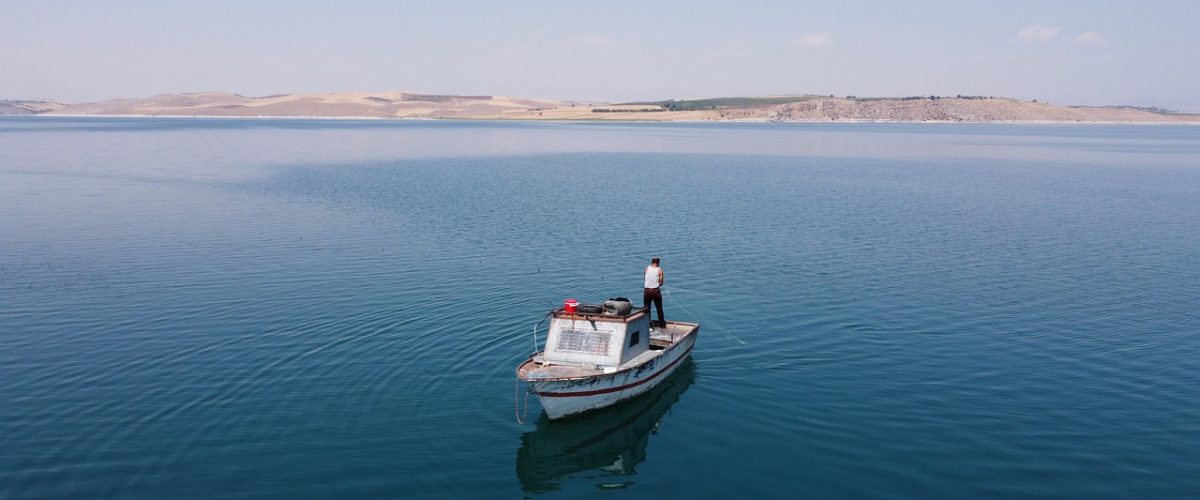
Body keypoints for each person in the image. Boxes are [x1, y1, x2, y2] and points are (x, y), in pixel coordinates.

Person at [643, 257, 665, 328]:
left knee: (647, 309)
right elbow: (661, 283)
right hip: (655, 291)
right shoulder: (659, 270)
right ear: (658, 263)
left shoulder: (646, 269)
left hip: (647, 291)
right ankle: (662, 325)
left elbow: (645, 278)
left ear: (652, 262)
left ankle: (647, 325)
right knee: (659, 308)